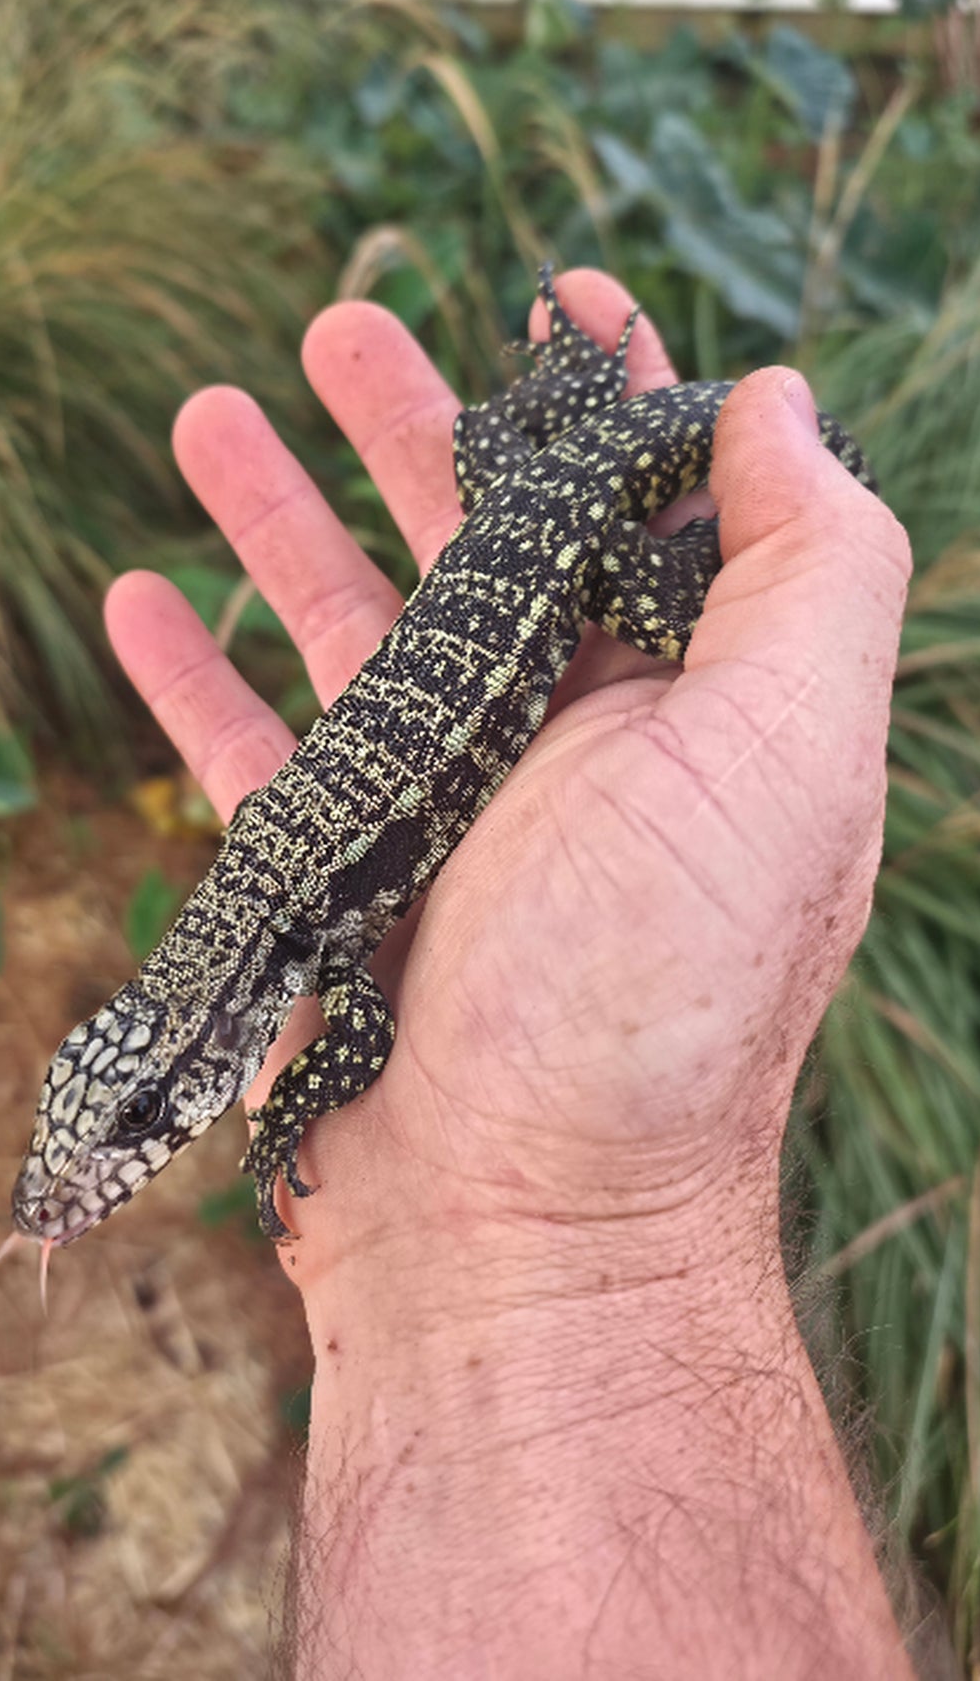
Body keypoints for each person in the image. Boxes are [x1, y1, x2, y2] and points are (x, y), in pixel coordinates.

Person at [105, 269, 918, 1679]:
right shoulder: (255, 934)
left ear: (184, 1059)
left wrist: (296, 1115)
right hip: (534, 508)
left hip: (569, 542)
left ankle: (614, 438)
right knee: (487, 457)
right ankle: (573, 398)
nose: (108, 1166)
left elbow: (360, 1036)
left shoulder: (280, 948)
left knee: (660, 608)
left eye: (125, 1122)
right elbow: (345, 1008)